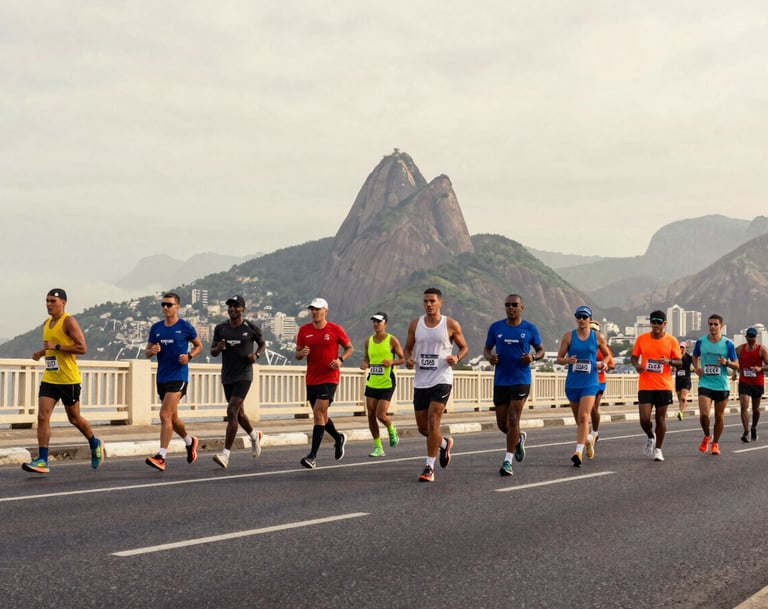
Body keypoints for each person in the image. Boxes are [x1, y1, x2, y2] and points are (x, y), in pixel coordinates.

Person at [22, 289, 105, 474]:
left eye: (53, 301)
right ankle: (43, 459)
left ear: (63, 303)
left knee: (74, 418)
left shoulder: (68, 321)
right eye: (47, 301)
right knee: (42, 416)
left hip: (69, 380)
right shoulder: (46, 323)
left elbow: (82, 348)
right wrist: (41, 353)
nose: (49, 304)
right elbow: (50, 348)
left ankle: (94, 442)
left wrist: (57, 347)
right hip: (50, 377)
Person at [404, 287, 468, 482]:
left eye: (432, 301)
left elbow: (464, 347)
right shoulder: (415, 325)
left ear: (440, 302)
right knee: (423, 428)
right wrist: (408, 360)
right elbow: (407, 348)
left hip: (442, 379)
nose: (429, 305)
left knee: (433, 422)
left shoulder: (450, 324)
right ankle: (444, 443)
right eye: (425, 301)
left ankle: (429, 467)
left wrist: (456, 357)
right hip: (421, 381)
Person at [483, 294, 544, 477]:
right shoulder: (496, 327)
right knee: (502, 424)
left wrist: (533, 357)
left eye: (514, 305)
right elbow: (486, 349)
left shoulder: (530, 328)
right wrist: (490, 357)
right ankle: (518, 439)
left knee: (513, 418)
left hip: (521, 380)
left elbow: (540, 350)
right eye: (507, 305)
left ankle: (507, 462)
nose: (511, 308)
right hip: (501, 380)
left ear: (521, 307)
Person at [144, 292, 203, 471]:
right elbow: (146, 353)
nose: (165, 308)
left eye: (169, 305)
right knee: (173, 417)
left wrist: (189, 356)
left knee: (164, 415)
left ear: (177, 307)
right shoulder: (156, 328)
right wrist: (152, 350)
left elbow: (199, 345)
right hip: (162, 376)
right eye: (163, 304)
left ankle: (161, 456)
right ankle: (189, 441)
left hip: (179, 376)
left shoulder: (185, 327)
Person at [295, 297, 354, 469]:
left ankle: (312, 456)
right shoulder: (304, 330)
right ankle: (338, 438)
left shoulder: (335, 329)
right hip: (312, 378)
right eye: (312, 309)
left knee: (318, 412)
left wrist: (341, 359)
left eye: (317, 309)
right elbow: (297, 354)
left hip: (330, 377)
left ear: (325, 311)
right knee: (321, 415)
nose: (314, 312)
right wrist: (301, 353)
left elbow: (349, 347)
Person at [210, 295, 267, 469]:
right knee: (239, 414)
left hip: (244, 375)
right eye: (230, 306)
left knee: (231, 410)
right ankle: (254, 436)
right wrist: (218, 348)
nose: (232, 309)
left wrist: (256, 355)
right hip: (227, 375)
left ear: (243, 309)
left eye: (236, 306)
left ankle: (225, 455)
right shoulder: (221, 328)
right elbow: (212, 352)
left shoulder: (250, 327)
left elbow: (262, 344)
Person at [556, 305, 610, 467]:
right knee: (579, 422)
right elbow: (559, 358)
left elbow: (607, 355)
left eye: (584, 317)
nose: (581, 319)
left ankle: (578, 452)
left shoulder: (597, 337)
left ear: (589, 319)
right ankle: (587, 440)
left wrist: (603, 364)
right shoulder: (568, 337)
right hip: (572, 384)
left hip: (590, 383)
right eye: (579, 316)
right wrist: (567, 361)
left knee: (584, 416)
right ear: (576, 318)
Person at [629, 310, 682, 462]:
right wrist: (637, 365)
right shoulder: (642, 339)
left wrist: (669, 362)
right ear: (650, 323)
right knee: (644, 419)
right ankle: (651, 437)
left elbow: (679, 362)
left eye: (659, 322)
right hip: (645, 384)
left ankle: (658, 449)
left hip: (664, 386)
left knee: (660, 419)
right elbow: (633, 357)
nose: (656, 325)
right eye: (654, 321)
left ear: (665, 324)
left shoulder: (672, 341)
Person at [691, 314, 738, 456]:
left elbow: (736, 365)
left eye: (715, 324)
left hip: (722, 385)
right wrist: (697, 367)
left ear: (721, 326)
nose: (712, 327)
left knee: (719, 416)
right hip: (705, 382)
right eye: (710, 324)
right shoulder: (701, 341)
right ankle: (707, 436)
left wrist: (726, 362)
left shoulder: (728, 344)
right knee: (704, 414)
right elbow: (694, 356)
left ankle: (715, 443)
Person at [359, 312, 405, 457]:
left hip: (387, 383)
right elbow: (366, 359)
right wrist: (364, 364)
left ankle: (392, 430)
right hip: (372, 382)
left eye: (378, 321)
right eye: (374, 321)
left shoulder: (392, 340)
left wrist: (392, 362)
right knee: (371, 415)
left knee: (381, 414)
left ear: (385, 323)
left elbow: (403, 359)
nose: (376, 324)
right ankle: (378, 447)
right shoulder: (368, 341)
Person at [734, 327, 768, 443]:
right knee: (744, 405)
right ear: (746, 337)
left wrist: (760, 368)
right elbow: (734, 361)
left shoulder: (761, 350)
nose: (751, 339)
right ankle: (746, 431)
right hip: (744, 381)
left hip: (757, 382)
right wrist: (734, 372)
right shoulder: (739, 349)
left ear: (756, 337)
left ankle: (753, 427)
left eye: (753, 336)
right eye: (749, 336)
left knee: (756, 409)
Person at [587, 320, 614, 446]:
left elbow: (611, 364)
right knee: (586, 408)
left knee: (593, 408)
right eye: (590, 330)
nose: (592, 333)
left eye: (594, 331)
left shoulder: (603, 346)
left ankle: (594, 431)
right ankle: (586, 432)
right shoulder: (583, 345)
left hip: (599, 381)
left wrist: (603, 364)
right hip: (585, 380)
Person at [673, 342, 693, 420]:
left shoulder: (688, 357)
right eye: (680, 347)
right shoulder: (676, 357)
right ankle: (683, 405)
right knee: (679, 396)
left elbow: (696, 362)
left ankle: (681, 413)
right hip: (678, 380)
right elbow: (672, 364)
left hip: (686, 379)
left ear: (685, 348)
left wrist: (697, 369)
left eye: (683, 348)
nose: (681, 349)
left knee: (683, 397)